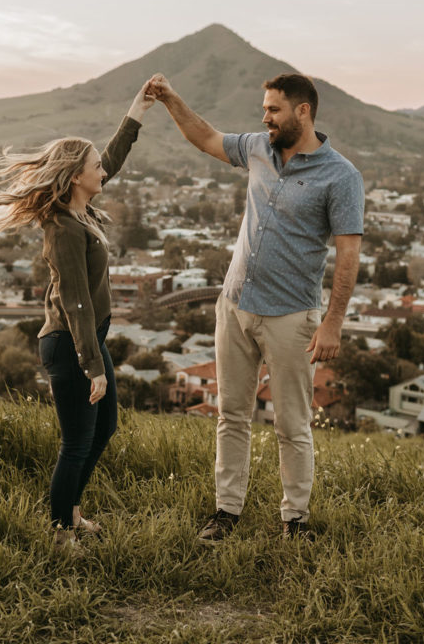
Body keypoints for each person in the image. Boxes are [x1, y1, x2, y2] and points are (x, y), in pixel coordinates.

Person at [148, 71, 364, 542]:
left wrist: (333, 322)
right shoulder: (257, 149)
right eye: (264, 108)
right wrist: (170, 99)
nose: (264, 117)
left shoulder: (341, 176)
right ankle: (226, 512)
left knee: (292, 423)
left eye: (273, 109)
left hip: (291, 316)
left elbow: (348, 253)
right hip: (236, 303)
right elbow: (204, 136)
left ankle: (295, 521)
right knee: (231, 414)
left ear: (302, 112)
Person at [0, 82, 155, 547]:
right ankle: (61, 534)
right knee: (77, 442)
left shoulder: (83, 211)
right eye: (93, 166)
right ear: (75, 176)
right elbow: (75, 299)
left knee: (104, 429)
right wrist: (91, 364)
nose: (101, 170)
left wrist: (138, 109)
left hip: (88, 341)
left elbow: (113, 158)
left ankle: (73, 513)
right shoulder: (63, 227)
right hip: (70, 343)